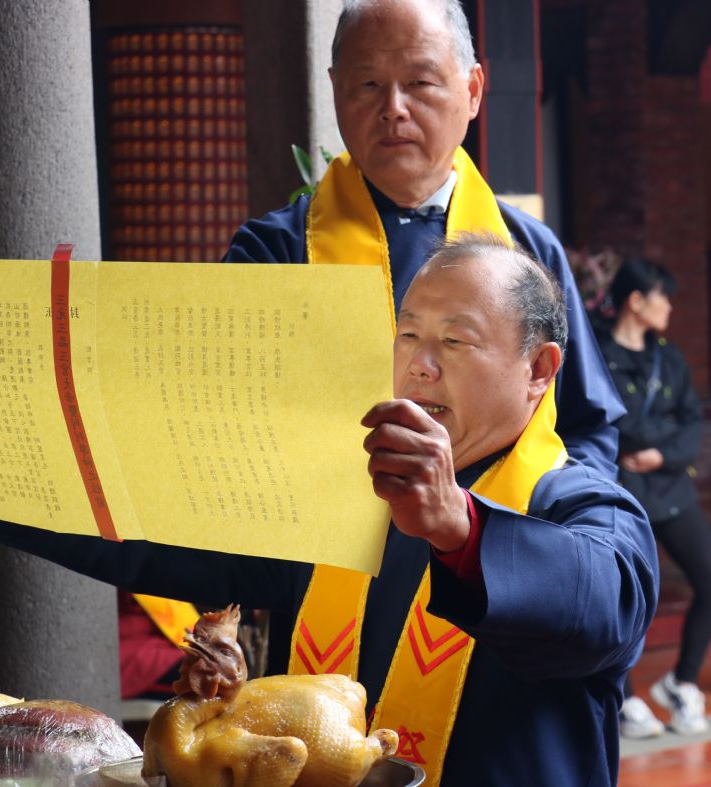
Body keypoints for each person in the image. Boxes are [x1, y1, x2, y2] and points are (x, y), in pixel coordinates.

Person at [0, 236, 659, 787]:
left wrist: (458, 525)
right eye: (409, 334)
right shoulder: (340, 497)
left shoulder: (580, 503)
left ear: (540, 370)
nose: (419, 363)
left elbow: (603, 605)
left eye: (456, 339)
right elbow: (146, 527)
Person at [223, 0, 623, 479]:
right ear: (335, 91)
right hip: (326, 546)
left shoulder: (526, 252)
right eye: (368, 84)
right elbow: (231, 427)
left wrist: (543, 532)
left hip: (496, 539)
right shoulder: (275, 251)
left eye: (419, 82)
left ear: (472, 91)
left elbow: (585, 428)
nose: (393, 108)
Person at [596, 258, 711, 739]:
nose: (669, 305)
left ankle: (681, 683)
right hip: (619, 490)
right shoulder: (598, 353)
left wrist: (658, 452)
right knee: (619, 597)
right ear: (636, 301)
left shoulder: (668, 357)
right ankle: (623, 697)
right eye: (662, 296)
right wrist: (650, 439)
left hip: (669, 485)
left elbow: (690, 421)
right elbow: (609, 418)